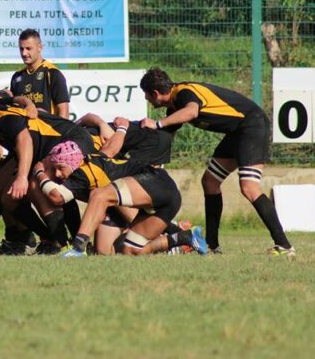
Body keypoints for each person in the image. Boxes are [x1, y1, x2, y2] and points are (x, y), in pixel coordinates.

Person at [139, 67, 294, 256]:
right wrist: (154, 164)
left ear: (155, 93)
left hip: (252, 126)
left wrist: (157, 123)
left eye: (146, 95)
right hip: (237, 131)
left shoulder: (183, 93)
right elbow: (167, 136)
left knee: (249, 188)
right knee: (210, 182)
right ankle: (212, 245)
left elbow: (191, 112)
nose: (146, 99)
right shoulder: (174, 104)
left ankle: (284, 245)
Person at [33, 119, 208, 258]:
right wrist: (121, 129)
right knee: (127, 251)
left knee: (99, 195)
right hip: (164, 199)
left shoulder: (84, 171)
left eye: (60, 168)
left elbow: (57, 197)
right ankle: (185, 237)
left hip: (156, 181)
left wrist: (40, 173)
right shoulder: (96, 158)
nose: (57, 173)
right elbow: (112, 147)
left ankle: (78, 248)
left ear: (73, 163)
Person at [0, 91, 94, 255]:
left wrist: (22, 178)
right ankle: (50, 239)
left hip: (67, 140)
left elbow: (25, 140)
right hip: (43, 149)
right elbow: (10, 95)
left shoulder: (3, 118)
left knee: (37, 186)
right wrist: (28, 103)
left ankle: (64, 244)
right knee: (8, 198)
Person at [0, 28, 71, 253]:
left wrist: (59, 146)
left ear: (40, 48)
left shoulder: (52, 74)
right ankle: (32, 237)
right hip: (23, 144)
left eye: (29, 48)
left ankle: (58, 239)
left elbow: (63, 114)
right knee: (10, 196)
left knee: (40, 190)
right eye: (21, 49)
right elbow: (10, 115)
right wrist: (0, 144)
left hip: (47, 144)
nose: (25, 53)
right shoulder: (17, 77)